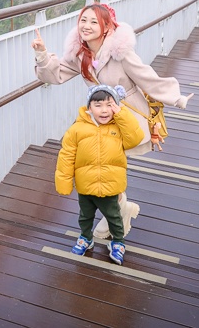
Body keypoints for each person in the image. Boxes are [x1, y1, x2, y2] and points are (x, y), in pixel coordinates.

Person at [32, 2, 192, 237]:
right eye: (83, 20)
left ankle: (117, 211)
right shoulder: (80, 54)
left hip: (126, 116)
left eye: (93, 22)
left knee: (110, 163)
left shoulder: (120, 53)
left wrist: (175, 97)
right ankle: (120, 209)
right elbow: (56, 75)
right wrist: (42, 54)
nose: (86, 26)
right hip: (100, 117)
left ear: (107, 27)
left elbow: (146, 76)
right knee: (104, 163)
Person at [56, 84, 145, 265]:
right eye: (98, 105)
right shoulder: (77, 129)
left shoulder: (119, 127)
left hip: (110, 185)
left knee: (114, 217)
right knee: (85, 216)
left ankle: (118, 241)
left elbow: (135, 138)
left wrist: (121, 114)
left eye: (109, 105)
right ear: (89, 107)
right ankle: (85, 237)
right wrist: (64, 181)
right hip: (85, 185)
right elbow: (66, 155)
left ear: (116, 106)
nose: (104, 110)